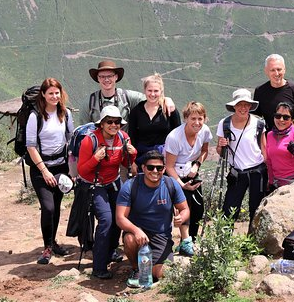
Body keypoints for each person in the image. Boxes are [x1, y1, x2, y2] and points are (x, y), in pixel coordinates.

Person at [76, 106, 137, 279]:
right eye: (109, 122)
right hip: (94, 185)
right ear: (101, 124)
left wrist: (133, 153)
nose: (113, 125)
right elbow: (82, 171)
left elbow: (126, 163)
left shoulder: (123, 138)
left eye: (117, 122)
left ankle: (111, 252)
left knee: (120, 219)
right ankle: (99, 267)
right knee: (106, 220)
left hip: (114, 183)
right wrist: (95, 159)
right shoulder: (90, 141)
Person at [116, 151, 189, 288]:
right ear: (143, 168)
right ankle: (136, 269)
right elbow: (120, 218)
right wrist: (136, 230)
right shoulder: (131, 186)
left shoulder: (170, 184)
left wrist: (181, 218)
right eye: (150, 167)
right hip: (138, 234)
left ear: (164, 169)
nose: (155, 171)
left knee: (160, 274)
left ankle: (148, 266)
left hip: (161, 236)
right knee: (129, 239)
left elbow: (185, 209)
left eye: (159, 168)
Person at [26, 77, 74, 264]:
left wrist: (72, 169)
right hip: (41, 168)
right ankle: (47, 247)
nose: (54, 96)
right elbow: (31, 146)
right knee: (48, 207)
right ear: (43, 95)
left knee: (56, 205)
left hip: (61, 166)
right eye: (50, 93)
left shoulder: (66, 114)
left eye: (57, 93)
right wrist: (44, 171)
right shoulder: (35, 116)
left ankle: (53, 243)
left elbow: (71, 141)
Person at [216, 88, 267, 232]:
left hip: (257, 171)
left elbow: (264, 148)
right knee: (229, 209)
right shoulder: (225, 124)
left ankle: (252, 243)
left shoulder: (259, 124)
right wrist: (221, 146)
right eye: (240, 104)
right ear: (234, 106)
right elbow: (220, 152)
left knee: (255, 209)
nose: (243, 108)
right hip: (237, 173)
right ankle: (224, 242)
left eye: (246, 105)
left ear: (250, 106)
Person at [164, 101, 210, 256]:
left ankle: (192, 241)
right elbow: (169, 167)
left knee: (198, 209)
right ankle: (185, 242)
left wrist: (197, 164)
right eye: (193, 119)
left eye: (200, 119)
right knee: (184, 208)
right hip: (175, 175)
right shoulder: (175, 138)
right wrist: (181, 185)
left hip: (192, 172)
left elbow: (204, 150)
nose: (197, 123)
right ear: (186, 119)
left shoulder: (204, 131)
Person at [85, 60, 175, 130]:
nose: (106, 79)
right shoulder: (89, 103)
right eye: (102, 76)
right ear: (98, 78)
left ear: (116, 77)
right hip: (98, 149)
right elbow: (84, 129)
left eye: (110, 76)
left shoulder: (128, 97)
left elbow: (151, 97)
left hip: (123, 149)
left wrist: (166, 99)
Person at [127, 73, 181, 172]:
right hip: (142, 159)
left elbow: (178, 135)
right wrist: (132, 162)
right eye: (149, 90)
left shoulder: (169, 110)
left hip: (164, 158)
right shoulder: (136, 111)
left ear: (161, 91)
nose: (152, 94)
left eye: (156, 91)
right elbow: (132, 137)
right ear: (144, 91)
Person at [253, 53, 294, 131]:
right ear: (266, 71)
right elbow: (256, 118)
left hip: (291, 140)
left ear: (284, 69)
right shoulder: (260, 91)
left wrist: (293, 132)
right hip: (268, 140)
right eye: (272, 70)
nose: (276, 73)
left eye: (279, 69)